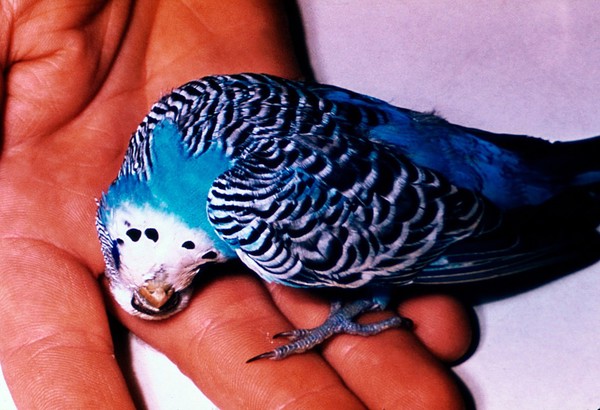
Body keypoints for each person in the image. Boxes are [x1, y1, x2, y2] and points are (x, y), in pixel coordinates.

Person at [0, 1, 472, 408]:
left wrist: (346, 306)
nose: (155, 289)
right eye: (162, 298)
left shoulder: (242, 210)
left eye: (135, 282)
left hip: (430, 166)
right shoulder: (166, 124)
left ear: (118, 229)